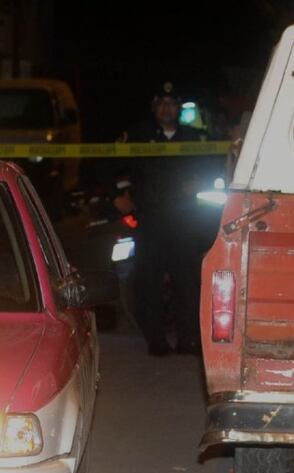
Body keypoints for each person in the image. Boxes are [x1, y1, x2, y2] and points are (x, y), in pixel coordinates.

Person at [119, 81, 208, 356]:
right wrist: (118, 195)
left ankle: (188, 339)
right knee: (149, 282)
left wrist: (199, 182)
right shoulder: (137, 135)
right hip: (151, 219)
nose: (166, 109)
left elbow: (215, 168)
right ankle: (156, 341)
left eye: (171, 104)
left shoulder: (196, 139)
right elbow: (115, 164)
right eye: (161, 103)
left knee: (187, 282)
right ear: (153, 108)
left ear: (178, 108)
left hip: (184, 220)